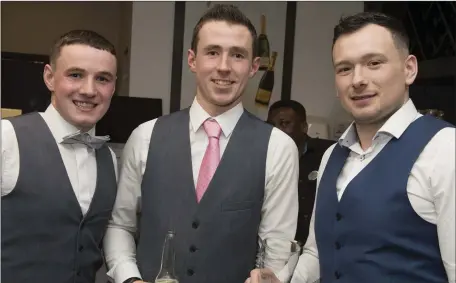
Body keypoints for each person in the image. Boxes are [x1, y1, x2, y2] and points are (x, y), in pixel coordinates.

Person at [247, 11, 455, 283]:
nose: (357, 79)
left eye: (374, 63)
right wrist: (285, 279)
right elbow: (318, 253)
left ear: (409, 69)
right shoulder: (332, 156)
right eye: (345, 68)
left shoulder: (445, 149)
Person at [103, 4, 299, 283]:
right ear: (192, 60)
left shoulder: (278, 148)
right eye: (212, 52)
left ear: (254, 67)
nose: (224, 67)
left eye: (238, 55)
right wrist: (129, 278)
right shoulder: (145, 136)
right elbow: (120, 225)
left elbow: (277, 248)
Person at [1, 30, 119, 283]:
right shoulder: (7, 138)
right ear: (50, 77)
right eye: (75, 75)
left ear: (114, 86)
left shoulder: (110, 159)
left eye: (102, 78)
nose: (89, 90)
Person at [267, 100, 334, 245]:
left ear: (304, 127)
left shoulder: (328, 153)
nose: (276, 131)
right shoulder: (263, 157)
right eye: (271, 126)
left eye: (284, 123)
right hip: (277, 243)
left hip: (317, 245)